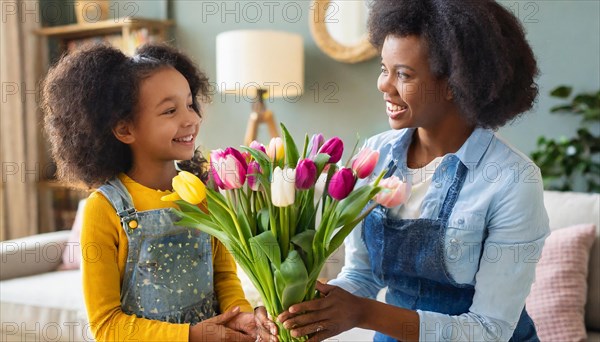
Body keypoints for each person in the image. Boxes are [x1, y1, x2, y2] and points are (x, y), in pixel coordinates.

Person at [270, 1, 550, 341]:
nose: (384, 85)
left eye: (403, 74)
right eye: (383, 69)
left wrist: (364, 312)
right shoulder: (375, 153)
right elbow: (361, 275)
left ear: (455, 84)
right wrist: (300, 310)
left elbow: (489, 331)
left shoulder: (512, 180)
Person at [42, 43, 258, 342]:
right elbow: (106, 326)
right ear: (125, 130)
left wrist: (242, 316)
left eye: (190, 103)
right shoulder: (103, 209)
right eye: (170, 110)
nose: (192, 119)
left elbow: (224, 277)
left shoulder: (203, 191)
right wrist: (192, 335)